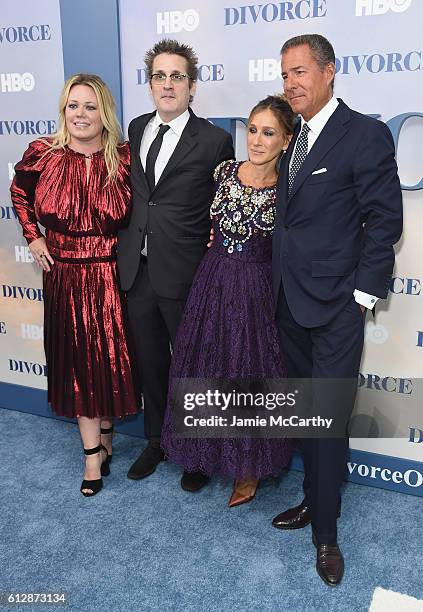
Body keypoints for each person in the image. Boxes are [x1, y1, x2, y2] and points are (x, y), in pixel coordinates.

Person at [271, 34, 403, 585]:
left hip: (335, 310)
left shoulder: (364, 135)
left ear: (330, 72)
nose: (290, 84)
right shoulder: (295, 137)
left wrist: (360, 297)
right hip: (288, 302)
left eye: (300, 72)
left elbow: (385, 221)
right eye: (284, 75)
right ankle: (313, 499)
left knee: (325, 421)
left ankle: (326, 533)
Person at [161, 95, 295, 505]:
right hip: (212, 279)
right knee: (205, 363)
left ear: (286, 141)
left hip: (255, 289)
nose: (256, 140)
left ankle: (249, 467)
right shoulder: (222, 172)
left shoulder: (289, 190)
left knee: (248, 372)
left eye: (268, 133)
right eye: (252, 130)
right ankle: (201, 453)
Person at [11, 74, 139, 497]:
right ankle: (91, 456)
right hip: (63, 272)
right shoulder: (43, 154)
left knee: (108, 362)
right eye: (72, 105)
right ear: (63, 110)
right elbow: (19, 192)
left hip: (109, 274)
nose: (80, 114)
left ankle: (105, 433)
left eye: (89, 106)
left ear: (104, 112)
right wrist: (33, 235)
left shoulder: (123, 158)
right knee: (79, 366)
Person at [117, 39, 234, 489]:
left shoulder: (215, 139)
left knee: (193, 365)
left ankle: (197, 453)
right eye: (159, 76)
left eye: (177, 76)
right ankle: (157, 440)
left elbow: (222, 205)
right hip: (138, 270)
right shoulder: (136, 126)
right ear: (150, 84)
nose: (168, 84)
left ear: (192, 85)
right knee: (150, 362)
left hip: (186, 272)